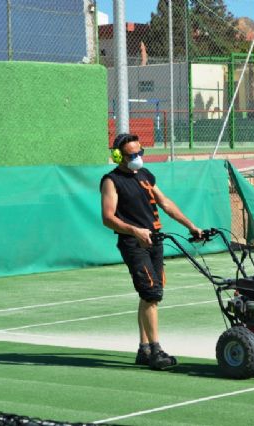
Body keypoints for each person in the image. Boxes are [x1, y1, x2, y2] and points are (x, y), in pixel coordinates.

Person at [100, 133, 201, 370]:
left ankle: (144, 349)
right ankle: (156, 351)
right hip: (134, 244)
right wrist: (135, 231)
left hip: (154, 240)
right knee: (152, 294)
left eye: (140, 152)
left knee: (148, 295)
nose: (137, 157)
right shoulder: (111, 181)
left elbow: (165, 203)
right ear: (118, 156)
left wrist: (192, 226)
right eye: (131, 154)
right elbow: (107, 218)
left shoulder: (145, 175)